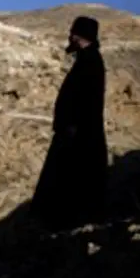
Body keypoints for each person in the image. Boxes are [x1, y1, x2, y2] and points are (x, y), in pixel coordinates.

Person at [30, 16, 108, 230]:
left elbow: (86, 100)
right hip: (76, 132)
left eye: (72, 32)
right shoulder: (87, 59)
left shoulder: (90, 61)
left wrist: (72, 127)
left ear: (79, 36)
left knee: (70, 182)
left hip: (79, 136)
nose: (69, 36)